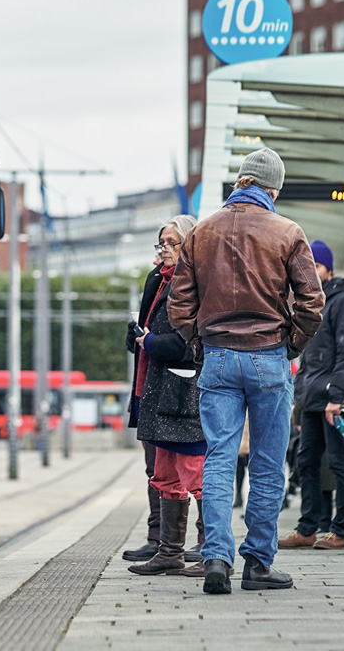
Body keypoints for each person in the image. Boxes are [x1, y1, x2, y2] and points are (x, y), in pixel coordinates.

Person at [168, 147, 325, 595]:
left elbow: (179, 304)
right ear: (273, 188)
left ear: (240, 181)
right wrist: (289, 342)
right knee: (268, 462)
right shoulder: (287, 231)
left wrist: (199, 342)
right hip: (268, 357)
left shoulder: (201, 233)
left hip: (217, 356)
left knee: (219, 457)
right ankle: (258, 563)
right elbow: (312, 303)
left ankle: (217, 556)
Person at [126, 215, 206, 578]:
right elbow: (150, 328)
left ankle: (210, 549)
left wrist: (152, 342)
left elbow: (191, 342)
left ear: (189, 244)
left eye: (172, 243)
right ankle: (169, 551)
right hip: (155, 387)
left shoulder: (197, 282)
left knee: (196, 472)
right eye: (161, 243)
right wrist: (137, 337)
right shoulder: (157, 279)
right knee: (162, 472)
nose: (164, 250)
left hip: (184, 390)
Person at [280, 240, 344, 551]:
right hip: (312, 398)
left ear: (328, 269)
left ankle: (340, 530)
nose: (310, 272)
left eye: (315, 266)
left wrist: (337, 396)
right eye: (307, 267)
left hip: (336, 399)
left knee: (341, 461)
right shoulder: (310, 303)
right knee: (306, 460)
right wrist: (301, 398)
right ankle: (308, 527)